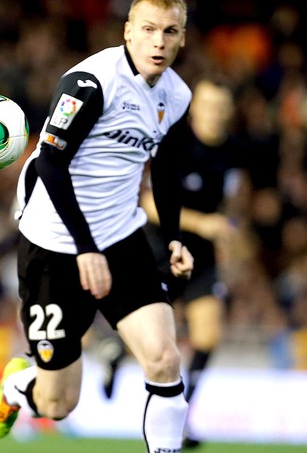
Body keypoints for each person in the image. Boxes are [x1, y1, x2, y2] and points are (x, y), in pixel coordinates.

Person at [0, 0, 194, 453]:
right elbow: (51, 166)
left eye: (170, 31)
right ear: (128, 32)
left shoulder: (176, 94)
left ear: (181, 38)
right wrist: (85, 248)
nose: (158, 41)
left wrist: (175, 238)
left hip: (121, 237)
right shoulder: (91, 82)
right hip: (54, 244)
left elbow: (165, 170)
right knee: (59, 404)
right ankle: (19, 388)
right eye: (148, 29)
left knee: (163, 359)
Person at [137, 75, 241, 447]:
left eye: (221, 107)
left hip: (205, 256)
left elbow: (229, 202)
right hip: (161, 249)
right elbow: (147, 203)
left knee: (208, 334)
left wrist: (227, 230)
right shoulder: (175, 143)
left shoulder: (232, 151)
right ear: (194, 108)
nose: (215, 113)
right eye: (209, 105)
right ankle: (115, 353)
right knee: (151, 335)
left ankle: (180, 415)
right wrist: (203, 223)